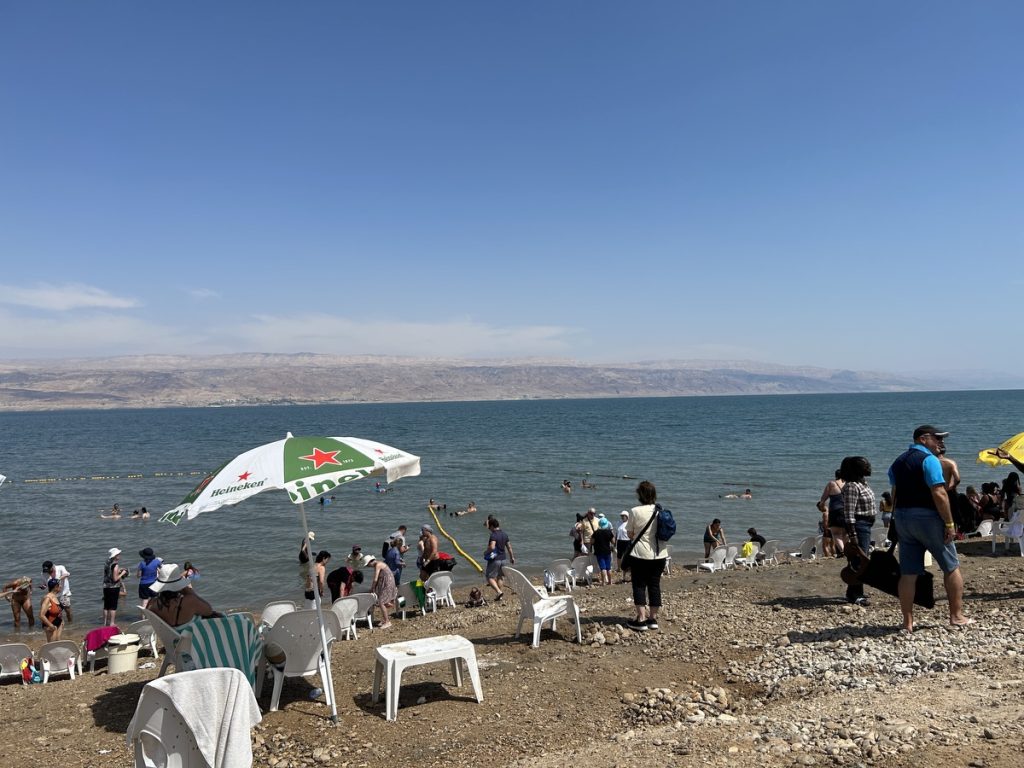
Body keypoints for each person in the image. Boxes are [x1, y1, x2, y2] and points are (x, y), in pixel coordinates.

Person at [888, 425, 970, 632]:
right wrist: (950, 524)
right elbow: (939, 493)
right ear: (923, 439)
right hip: (927, 516)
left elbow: (894, 491)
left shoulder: (897, 462)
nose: (941, 443)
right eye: (938, 439)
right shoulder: (929, 460)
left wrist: (894, 520)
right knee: (951, 565)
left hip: (903, 517)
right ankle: (957, 616)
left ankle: (907, 623)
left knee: (908, 572)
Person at [625, 480, 669, 631]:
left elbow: (630, 534)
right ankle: (653, 619)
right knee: (654, 585)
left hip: (640, 554)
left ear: (640, 495)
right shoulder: (660, 510)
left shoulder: (635, 511)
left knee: (639, 585)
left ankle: (641, 619)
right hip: (660, 554)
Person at [839, 455, 876, 606]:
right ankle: (855, 594)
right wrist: (852, 534)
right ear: (856, 469)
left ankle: (854, 592)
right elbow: (848, 513)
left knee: (861, 559)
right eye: (865, 465)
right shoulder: (852, 486)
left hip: (866, 525)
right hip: (859, 525)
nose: (869, 467)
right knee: (859, 560)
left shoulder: (863, 483)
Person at [148, 563, 220, 626]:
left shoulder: (153, 604)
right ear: (179, 586)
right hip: (190, 637)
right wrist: (189, 591)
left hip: (171, 636)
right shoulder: (189, 601)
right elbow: (208, 611)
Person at [483, 516, 515, 600]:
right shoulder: (504, 534)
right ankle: (499, 596)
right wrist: (512, 557)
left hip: (495, 559)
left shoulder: (493, 535)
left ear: (493, 526)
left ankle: (499, 592)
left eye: (489, 527)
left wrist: (486, 552)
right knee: (500, 576)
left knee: (489, 577)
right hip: (503, 559)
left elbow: (492, 547)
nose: (489, 528)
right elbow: (509, 547)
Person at [817, 470, 846, 556]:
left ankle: (843, 551)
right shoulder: (848, 484)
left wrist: (822, 508)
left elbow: (823, 500)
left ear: (835, 475)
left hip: (835, 511)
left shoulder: (832, 484)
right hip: (847, 511)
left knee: (836, 533)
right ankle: (846, 551)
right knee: (845, 533)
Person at [367, 556, 397, 629]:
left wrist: (372, 588)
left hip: (387, 583)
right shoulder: (378, 564)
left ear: (370, 561)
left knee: (381, 602)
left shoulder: (378, 565)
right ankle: (384, 619)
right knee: (382, 602)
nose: (368, 566)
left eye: (368, 565)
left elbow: (375, 578)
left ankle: (387, 621)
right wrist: (374, 588)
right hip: (386, 583)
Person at [102, 548, 128, 626]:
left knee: (106, 606)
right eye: (118, 554)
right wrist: (122, 573)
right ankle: (112, 623)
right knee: (113, 606)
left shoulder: (107, 563)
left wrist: (118, 570)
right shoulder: (115, 565)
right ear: (115, 556)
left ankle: (105, 622)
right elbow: (115, 579)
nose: (119, 555)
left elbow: (109, 572)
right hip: (113, 587)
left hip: (106, 586)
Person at [41, 560, 72, 624]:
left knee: (67, 610)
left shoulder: (60, 568)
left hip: (64, 593)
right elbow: (45, 584)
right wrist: (43, 586)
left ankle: (70, 624)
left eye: (48, 570)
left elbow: (67, 574)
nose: (47, 572)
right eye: (46, 571)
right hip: (53, 595)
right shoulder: (43, 573)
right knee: (55, 611)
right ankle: (59, 624)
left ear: (52, 567)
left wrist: (59, 579)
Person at [591, 516, 615, 585]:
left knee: (602, 568)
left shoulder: (596, 532)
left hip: (599, 551)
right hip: (607, 551)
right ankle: (610, 582)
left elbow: (592, 542)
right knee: (608, 568)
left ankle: (603, 582)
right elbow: (613, 541)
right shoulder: (609, 532)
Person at [615, 510, 632, 582]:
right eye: (621, 516)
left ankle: (627, 568)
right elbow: (616, 533)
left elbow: (631, 533)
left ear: (627, 517)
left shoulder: (629, 523)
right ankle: (619, 568)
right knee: (619, 555)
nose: (622, 517)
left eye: (623, 516)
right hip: (620, 541)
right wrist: (615, 542)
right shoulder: (618, 523)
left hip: (627, 541)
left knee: (626, 555)